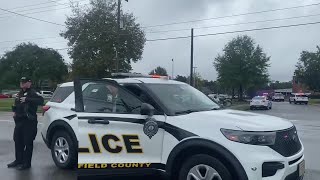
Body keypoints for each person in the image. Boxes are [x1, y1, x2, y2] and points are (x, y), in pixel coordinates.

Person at [7, 77, 44, 170]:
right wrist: (14, 112)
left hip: (29, 121)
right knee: (18, 141)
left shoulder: (33, 92)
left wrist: (27, 99)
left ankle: (26, 163)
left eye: (24, 82)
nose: (22, 84)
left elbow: (41, 101)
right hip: (19, 121)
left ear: (29, 83)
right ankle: (18, 160)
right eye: (21, 82)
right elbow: (17, 104)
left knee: (28, 142)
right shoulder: (20, 93)